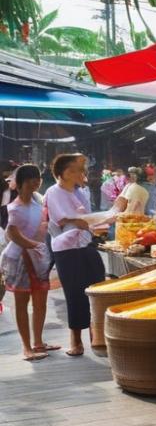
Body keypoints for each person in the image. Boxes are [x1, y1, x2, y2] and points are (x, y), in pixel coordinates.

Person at [44, 153, 106, 357]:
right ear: (66, 172)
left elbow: (87, 218)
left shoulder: (80, 192)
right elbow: (63, 220)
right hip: (66, 248)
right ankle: (76, 341)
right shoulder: (54, 192)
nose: (83, 173)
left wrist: (100, 221)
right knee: (75, 294)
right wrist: (87, 221)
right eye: (79, 169)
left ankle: (97, 337)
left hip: (86, 244)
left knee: (98, 289)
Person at [3, 165, 57, 360]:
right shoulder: (14, 207)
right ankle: (27, 346)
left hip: (38, 258)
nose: (36, 181)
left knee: (40, 302)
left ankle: (39, 342)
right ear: (21, 183)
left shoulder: (39, 203)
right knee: (22, 303)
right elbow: (12, 233)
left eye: (38, 177)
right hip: (20, 260)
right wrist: (34, 245)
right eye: (32, 178)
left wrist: (39, 248)